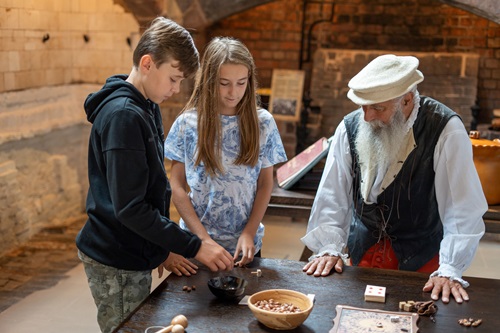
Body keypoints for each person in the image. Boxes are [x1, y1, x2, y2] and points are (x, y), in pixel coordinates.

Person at [76, 18, 234, 333]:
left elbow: (146, 188)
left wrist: (162, 248)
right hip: (116, 257)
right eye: (174, 78)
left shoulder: (145, 104)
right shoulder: (124, 115)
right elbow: (131, 208)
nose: (176, 90)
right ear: (147, 63)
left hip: (133, 247)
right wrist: (194, 245)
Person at [301, 54, 487, 304]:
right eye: (363, 106)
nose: (366, 117)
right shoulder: (351, 126)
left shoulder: (445, 129)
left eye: (378, 108)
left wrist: (450, 268)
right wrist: (329, 247)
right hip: (361, 257)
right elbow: (332, 194)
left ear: (407, 100)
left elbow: (462, 207)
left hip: (424, 265)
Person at [164, 37, 287, 268]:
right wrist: (202, 240)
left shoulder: (263, 123)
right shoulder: (186, 124)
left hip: (245, 245)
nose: (233, 92)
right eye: (224, 83)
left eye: (241, 83)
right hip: (196, 244)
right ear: (209, 81)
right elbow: (177, 187)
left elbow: (265, 184)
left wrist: (249, 232)